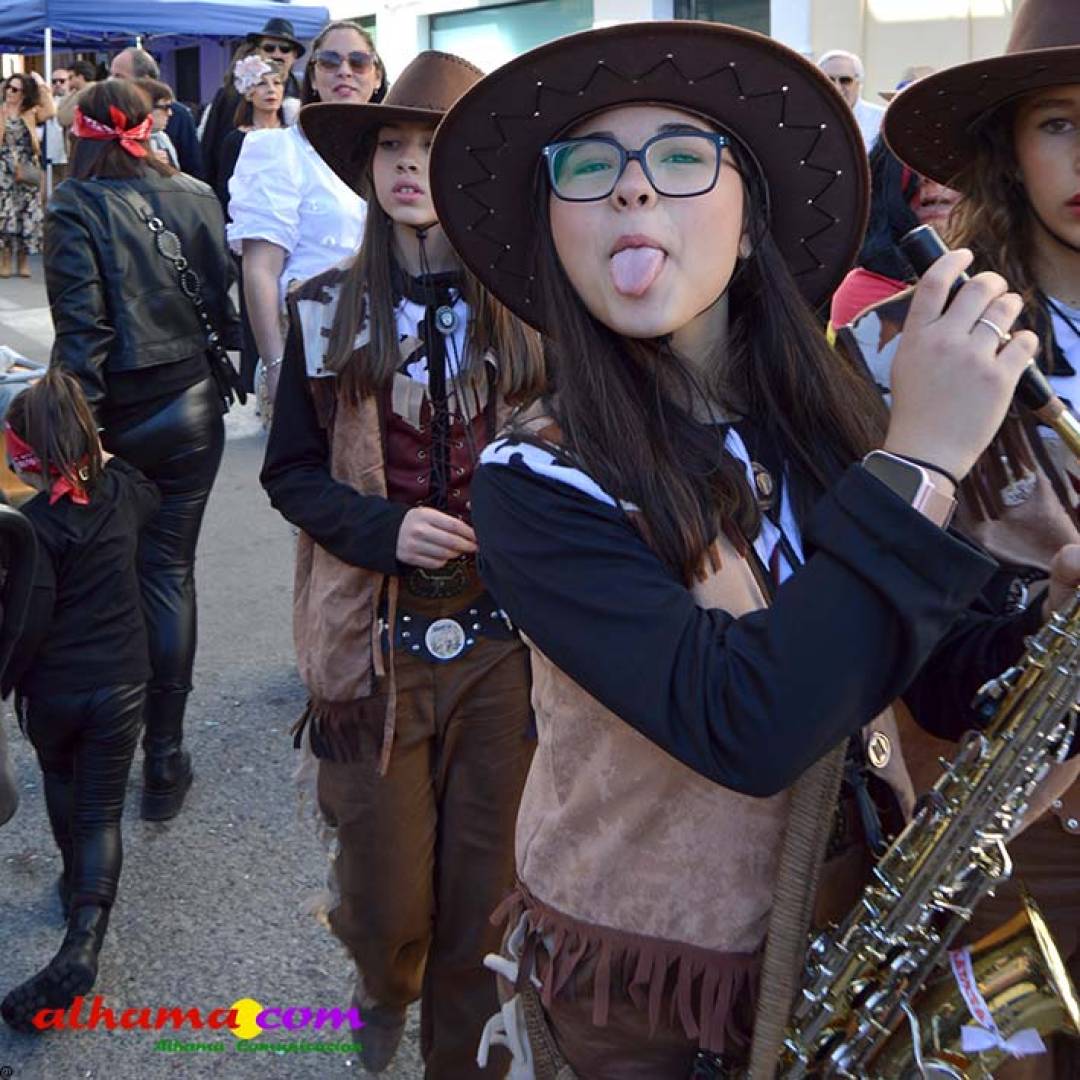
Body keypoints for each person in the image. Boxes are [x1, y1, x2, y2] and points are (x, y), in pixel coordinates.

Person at [426, 20, 1080, 1075]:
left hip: (850, 939)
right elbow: (748, 724)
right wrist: (922, 461)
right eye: (590, 169)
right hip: (649, 1005)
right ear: (557, 234)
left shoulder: (827, 421)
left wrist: (1050, 627)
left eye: (682, 160)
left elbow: (949, 677)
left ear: (746, 227)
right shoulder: (532, 479)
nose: (633, 192)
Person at [261, 50, 545, 1076]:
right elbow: (288, 471)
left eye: (432, 145)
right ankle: (383, 983)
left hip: (507, 652)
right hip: (371, 650)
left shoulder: (534, 312)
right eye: (391, 144)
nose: (409, 163)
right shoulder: (325, 305)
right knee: (386, 900)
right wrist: (384, 531)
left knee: (486, 900)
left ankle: (457, 1061)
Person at [846, 3, 1080, 1074]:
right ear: (1007, 145)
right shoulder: (903, 341)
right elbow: (875, 611)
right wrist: (1038, 612)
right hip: (1005, 819)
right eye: (1063, 124)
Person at [44, 79, 240, 823]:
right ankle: (163, 758)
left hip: (116, 417)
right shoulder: (193, 192)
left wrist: (73, 438)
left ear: (84, 136)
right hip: (192, 408)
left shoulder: (74, 206)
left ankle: (106, 751)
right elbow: (219, 295)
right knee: (168, 575)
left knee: (102, 586)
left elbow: (83, 336)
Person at [0, 369, 160, 1032]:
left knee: (63, 786)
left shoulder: (29, 527)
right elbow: (147, 489)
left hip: (55, 690)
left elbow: (23, 615)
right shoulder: (125, 491)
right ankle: (86, 933)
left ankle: (74, 887)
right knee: (103, 813)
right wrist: (101, 460)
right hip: (123, 681)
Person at [228, 19, 381, 404]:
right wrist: (277, 364)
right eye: (330, 61)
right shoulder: (278, 149)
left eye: (358, 61)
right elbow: (260, 269)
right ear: (313, 76)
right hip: (312, 349)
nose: (344, 70)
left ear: (376, 77)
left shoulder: (393, 150)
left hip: (389, 351)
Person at [829, 140, 961, 329]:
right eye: (916, 164)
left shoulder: (1013, 266)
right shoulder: (869, 289)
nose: (927, 177)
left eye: (948, 159)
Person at [199, 17, 305, 192]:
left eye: (285, 49)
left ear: (294, 56)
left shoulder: (305, 95)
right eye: (269, 48)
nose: (277, 54)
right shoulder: (230, 94)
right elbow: (210, 150)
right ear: (258, 52)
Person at [109, 49, 203, 179]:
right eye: (111, 75)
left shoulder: (178, 115)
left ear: (145, 79)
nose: (111, 82)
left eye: (118, 76)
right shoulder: (105, 114)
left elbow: (192, 166)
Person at [0, 72, 55, 279]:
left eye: (15, 89)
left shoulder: (30, 112)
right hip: (4, 168)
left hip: (27, 166)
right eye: (8, 87)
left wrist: (42, 86)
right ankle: (5, 259)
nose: (9, 92)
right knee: (5, 214)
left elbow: (51, 111)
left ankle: (23, 261)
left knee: (27, 214)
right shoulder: (1, 111)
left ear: (24, 94)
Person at [216, 57, 286, 212]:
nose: (271, 90)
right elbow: (226, 189)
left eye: (277, 83)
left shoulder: (293, 136)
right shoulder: (236, 140)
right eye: (262, 83)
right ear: (248, 93)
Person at [818, 48, 884, 150]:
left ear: (858, 84)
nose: (837, 87)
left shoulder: (881, 121)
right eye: (828, 79)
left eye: (845, 80)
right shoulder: (804, 119)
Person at [133, 78, 180, 168]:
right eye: (165, 107)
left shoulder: (162, 138)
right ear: (145, 108)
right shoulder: (121, 143)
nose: (170, 113)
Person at [45, 68, 70, 184]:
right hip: (51, 154)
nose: (57, 84)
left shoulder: (74, 100)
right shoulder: (48, 102)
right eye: (54, 81)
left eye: (62, 81)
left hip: (68, 155)